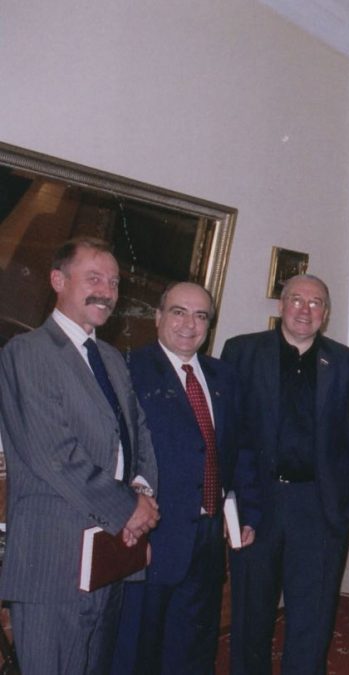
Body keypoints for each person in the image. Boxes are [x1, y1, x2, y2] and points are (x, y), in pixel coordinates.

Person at [0, 237, 159, 674]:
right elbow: (53, 455)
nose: (107, 292)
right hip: (54, 561)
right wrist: (130, 508)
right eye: (94, 279)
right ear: (58, 280)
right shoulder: (26, 353)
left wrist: (142, 491)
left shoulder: (111, 358)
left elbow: (138, 436)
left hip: (109, 557)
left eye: (114, 282)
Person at [111, 282, 259, 674]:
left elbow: (241, 448)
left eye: (200, 316)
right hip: (152, 535)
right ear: (158, 316)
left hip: (208, 537)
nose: (189, 324)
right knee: (139, 652)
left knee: (193, 650)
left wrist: (245, 511)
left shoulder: (224, 376)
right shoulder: (128, 369)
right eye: (178, 312)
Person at [221, 274, 349, 675]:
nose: (305, 309)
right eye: (297, 300)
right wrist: (233, 504)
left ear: (326, 314)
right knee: (251, 616)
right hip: (257, 503)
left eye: (315, 303)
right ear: (281, 305)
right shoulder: (242, 352)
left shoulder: (347, 363)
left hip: (319, 506)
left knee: (312, 621)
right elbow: (228, 433)